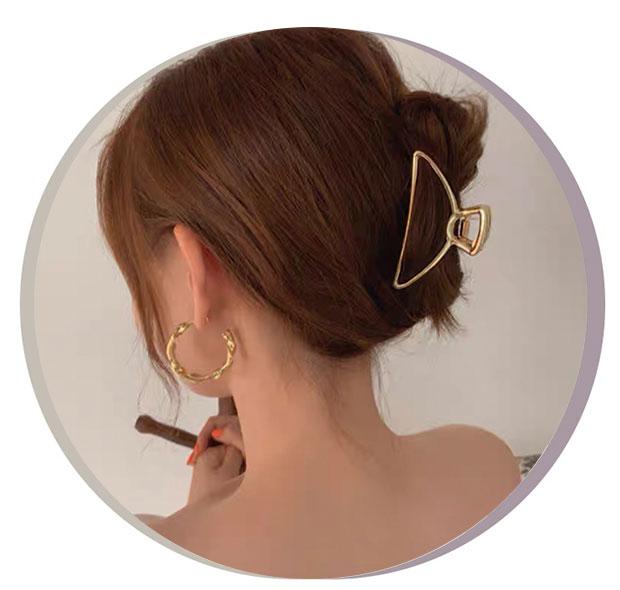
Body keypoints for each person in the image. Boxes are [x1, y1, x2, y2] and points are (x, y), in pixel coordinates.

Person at [96, 27, 521, 578]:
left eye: (136, 273)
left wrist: (200, 518)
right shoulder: (485, 466)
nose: (139, 309)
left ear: (197, 271)